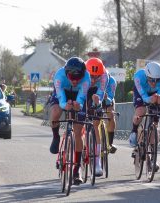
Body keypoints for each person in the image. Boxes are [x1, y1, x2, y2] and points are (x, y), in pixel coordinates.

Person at [48, 57, 90, 185]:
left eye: (78, 79)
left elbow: (82, 98)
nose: (75, 81)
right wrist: (64, 105)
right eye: (72, 79)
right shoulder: (59, 76)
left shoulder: (86, 78)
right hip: (63, 94)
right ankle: (55, 137)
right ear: (67, 74)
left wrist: (79, 105)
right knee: (55, 111)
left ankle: (76, 169)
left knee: (78, 132)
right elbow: (60, 97)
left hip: (78, 96)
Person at [128, 61, 160, 172]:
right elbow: (144, 97)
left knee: (155, 123)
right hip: (142, 94)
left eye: (157, 80)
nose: (154, 83)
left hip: (155, 94)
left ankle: (153, 157)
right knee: (141, 110)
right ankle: (134, 131)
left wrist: (156, 99)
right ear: (147, 76)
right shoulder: (139, 77)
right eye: (151, 80)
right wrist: (149, 100)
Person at [85, 57, 109, 177]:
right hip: (84, 91)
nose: (94, 79)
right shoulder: (82, 74)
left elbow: (100, 93)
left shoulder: (104, 76)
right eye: (91, 76)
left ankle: (97, 161)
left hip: (96, 93)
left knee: (95, 123)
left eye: (96, 77)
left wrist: (96, 103)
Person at [103, 74, 117, 154]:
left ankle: (110, 143)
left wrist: (106, 98)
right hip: (96, 99)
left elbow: (111, 98)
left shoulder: (112, 81)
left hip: (107, 98)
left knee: (111, 114)